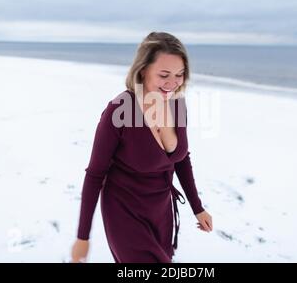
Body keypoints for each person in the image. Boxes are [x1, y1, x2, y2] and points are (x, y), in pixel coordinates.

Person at [71, 32, 213, 263]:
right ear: (143, 70)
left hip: (161, 213)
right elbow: (95, 175)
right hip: (124, 213)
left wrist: (197, 207)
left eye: (179, 74)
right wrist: (82, 237)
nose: (173, 83)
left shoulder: (177, 105)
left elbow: (181, 159)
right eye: (164, 74)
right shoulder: (119, 110)